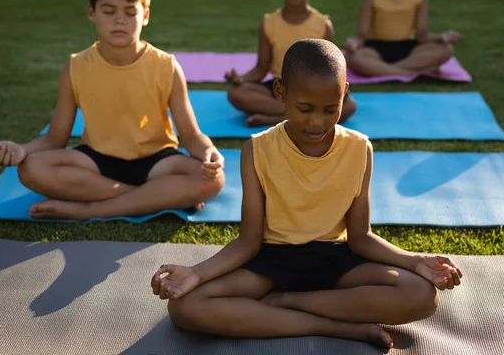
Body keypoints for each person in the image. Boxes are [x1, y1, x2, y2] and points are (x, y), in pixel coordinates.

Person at [152, 39, 462, 348]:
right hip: (272, 262)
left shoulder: (360, 149)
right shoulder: (256, 150)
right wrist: (196, 273)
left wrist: (414, 261)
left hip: (337, 260)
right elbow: (248, 241)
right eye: (305, 108)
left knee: (421, 296)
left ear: (344, 93)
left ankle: (289, 302)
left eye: (331, 109)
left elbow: (361, 236)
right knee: (185, 307)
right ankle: (337, 327)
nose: (318, 121)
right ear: (280, 93)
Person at [0, 0, 224, 220]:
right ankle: (154, 196)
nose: (119, 20)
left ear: (145, 15)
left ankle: (90, 209)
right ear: (92, 12)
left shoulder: (167, 66)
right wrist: (22, 149)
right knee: (31, 168)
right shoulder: (76, 67)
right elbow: (54, 139)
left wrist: (210, 152)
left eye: (130, 12)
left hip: (157, 161)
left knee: (214, 180)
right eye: (109, 11)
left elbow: (190, 136)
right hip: (96, 162)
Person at [225, 0, 356, 127]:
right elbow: (260, 69)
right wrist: (241, 79)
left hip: (312, 89)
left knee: (350, 105)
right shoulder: (269, 24)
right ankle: (297, 114)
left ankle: (278, 118)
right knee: (236, 94)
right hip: (279, 88)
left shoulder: (323, 25)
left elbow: (331, 69)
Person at [344, 0, 463, 77]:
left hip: (409, 49)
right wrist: (353, 43)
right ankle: (414, 73)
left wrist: (442, 37)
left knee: (446, 49)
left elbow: (422, 36)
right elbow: (360, 36)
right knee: (352, 56)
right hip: (375, 49)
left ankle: (382, 70)